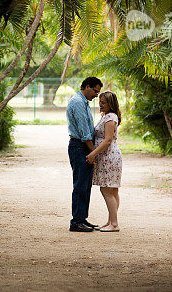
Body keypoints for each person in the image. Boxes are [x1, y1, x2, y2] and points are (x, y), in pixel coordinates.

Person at [66, 76, 102, 232]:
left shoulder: (84, 102)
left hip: (83, 147)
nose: (96, 95)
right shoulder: (78, 103)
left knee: (86, 185)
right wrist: (93, 152)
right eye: (95, 91)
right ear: (87, 86)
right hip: (80, 147)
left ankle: (82, 218)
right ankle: (76, 221)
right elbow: (85, 133)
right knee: (80, 185)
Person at [86, 91, 123, 232]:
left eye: (103, 102)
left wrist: (93, 154)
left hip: (109, 156)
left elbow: (107, 140)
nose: (100, 104)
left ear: (110, 104)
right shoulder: (107, 116)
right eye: (100, 102)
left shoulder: (110, 117)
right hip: (109, 156)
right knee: (112, 191)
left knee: (107, 190)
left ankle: (114, 224)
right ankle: (110, 222)